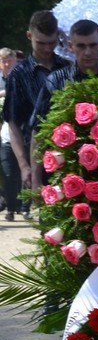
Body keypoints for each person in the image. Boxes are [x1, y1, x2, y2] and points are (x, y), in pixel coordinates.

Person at [3, 11, 69, 197]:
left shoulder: (69, 68)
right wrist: (24, 166)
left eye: (52, 42)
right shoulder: (18, 75)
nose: (47, 48)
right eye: (41, 43)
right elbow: (13, 122)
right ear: (29, 36)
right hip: (38, 158)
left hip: (70, 154)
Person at [30, 20, 98, 157]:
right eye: (81, 46)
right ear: (71, 46)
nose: (88, 52)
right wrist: (35, 176)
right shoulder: (56, 81)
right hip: (68, 166)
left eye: (93, 45)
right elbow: (38, 129)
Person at [0, 48, 18, 220]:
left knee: (18, 172)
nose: (7, 64)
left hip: (19, 133)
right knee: (7, 173)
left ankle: (24, 206)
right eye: (4, 61)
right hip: (4, 135)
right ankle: (10, 207)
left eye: (9, 61)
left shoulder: (21, 78)